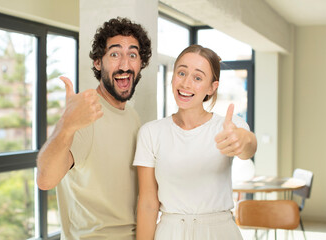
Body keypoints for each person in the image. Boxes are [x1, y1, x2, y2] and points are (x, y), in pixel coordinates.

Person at [36, 17, 152, 240]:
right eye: (115, 54)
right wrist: (66, 124)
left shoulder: (132, 115)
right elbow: (45, 179)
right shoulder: (86, 115)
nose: (125, 65)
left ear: (141, 63)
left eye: (133, 55)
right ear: (98, 62)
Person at [133, 44, 257, 240]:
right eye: (181, 73)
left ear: (211, 87)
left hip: (219, 232)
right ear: (173, 76)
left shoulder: (229, 126)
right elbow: (148, 203)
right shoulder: (151, 133)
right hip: (169, 232)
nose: (186, 83)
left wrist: (243, 140)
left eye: (198, 77)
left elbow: (248, 147)